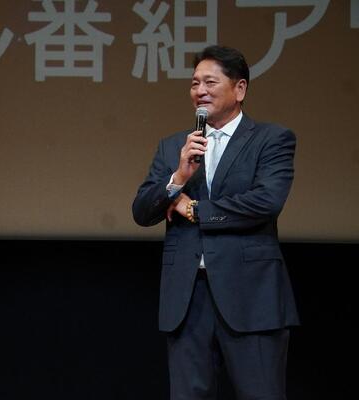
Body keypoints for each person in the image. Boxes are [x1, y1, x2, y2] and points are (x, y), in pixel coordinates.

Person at [132, 45, 299, 400]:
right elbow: (142, 211)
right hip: (188, 299)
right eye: (195, 83)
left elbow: (265, 202)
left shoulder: (271, 139)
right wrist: (178, 178)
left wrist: (195, 210)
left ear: (239, 89)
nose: (200, 91)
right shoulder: (174, 146)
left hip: (251, 296)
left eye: (210, 82)